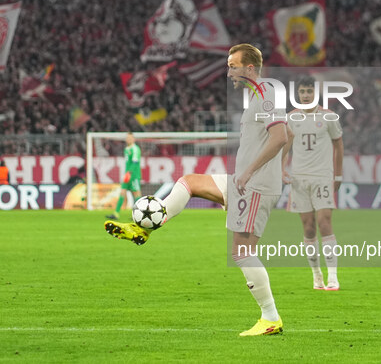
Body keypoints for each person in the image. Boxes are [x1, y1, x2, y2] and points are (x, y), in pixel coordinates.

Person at [104, 43, 288, 336]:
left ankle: (270, 318)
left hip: (255, 185)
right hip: (244, 180)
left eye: (233, 66)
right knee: (189, 182)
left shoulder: (266, 92)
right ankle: (147, 227)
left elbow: (280, 136)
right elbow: (278, 137)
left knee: (242, 252)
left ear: (250, 68)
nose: (228, 72)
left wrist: (253, 171)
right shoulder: (257, 96)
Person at [282, 76, 344, 291]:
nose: (306, 95)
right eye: (303, 92)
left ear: (315, 94)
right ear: (298, 94)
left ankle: (333, 277)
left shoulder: (328, 117)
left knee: (324, 223)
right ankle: (316, 275)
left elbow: (338, 145)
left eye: (309, 91)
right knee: (308, 228)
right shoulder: (291, 118)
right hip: (299, 178)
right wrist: (282, 168)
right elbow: (285, 146)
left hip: (322, 177)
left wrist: (338, 175)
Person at [106, 133, 142, 220]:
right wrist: (126, 174)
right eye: (127, 138)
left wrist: (129, 173)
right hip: (127, 175)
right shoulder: (126, 149)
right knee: (122, 192)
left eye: (130, 138)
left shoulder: (135, 149)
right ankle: (116, 214)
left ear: (133, 139)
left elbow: (135, 162)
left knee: (136, 194)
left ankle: (139, 215)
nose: (128, 139)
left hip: (133, 175)